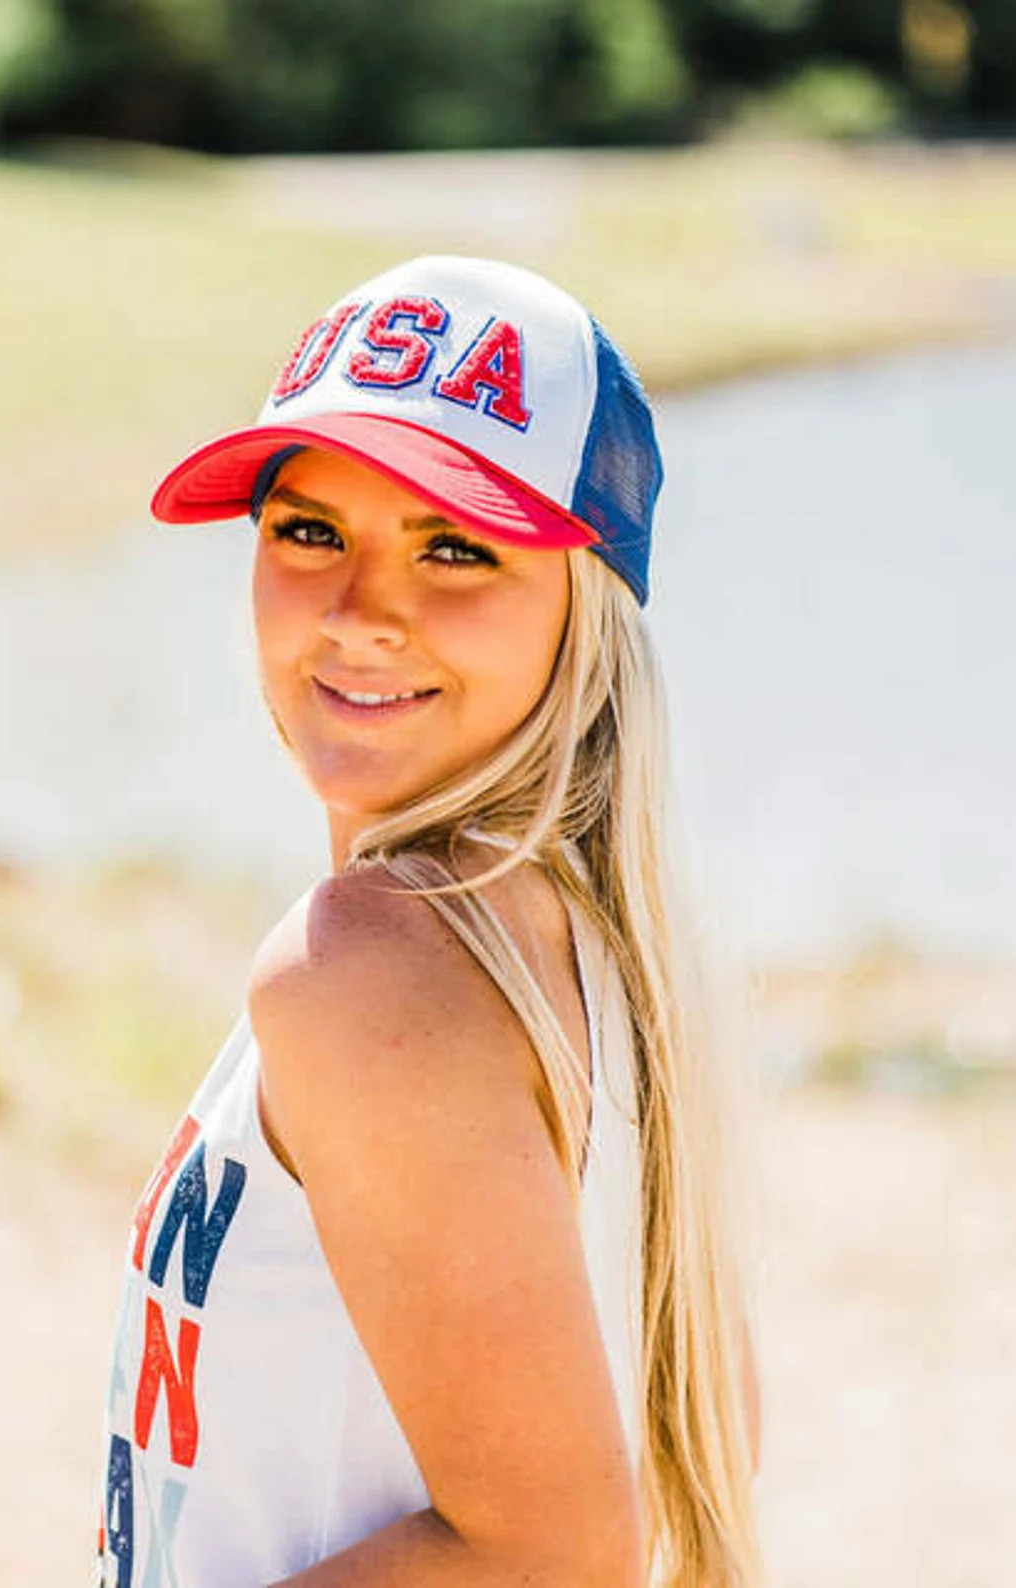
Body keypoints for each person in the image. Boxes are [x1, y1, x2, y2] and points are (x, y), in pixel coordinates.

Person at [95, 255, 762, 1587]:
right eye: (307, 531)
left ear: (588, 614)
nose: (359, 614)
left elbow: (550, 1556)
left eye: (454, 548)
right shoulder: (585, 945)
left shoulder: (368, 967)